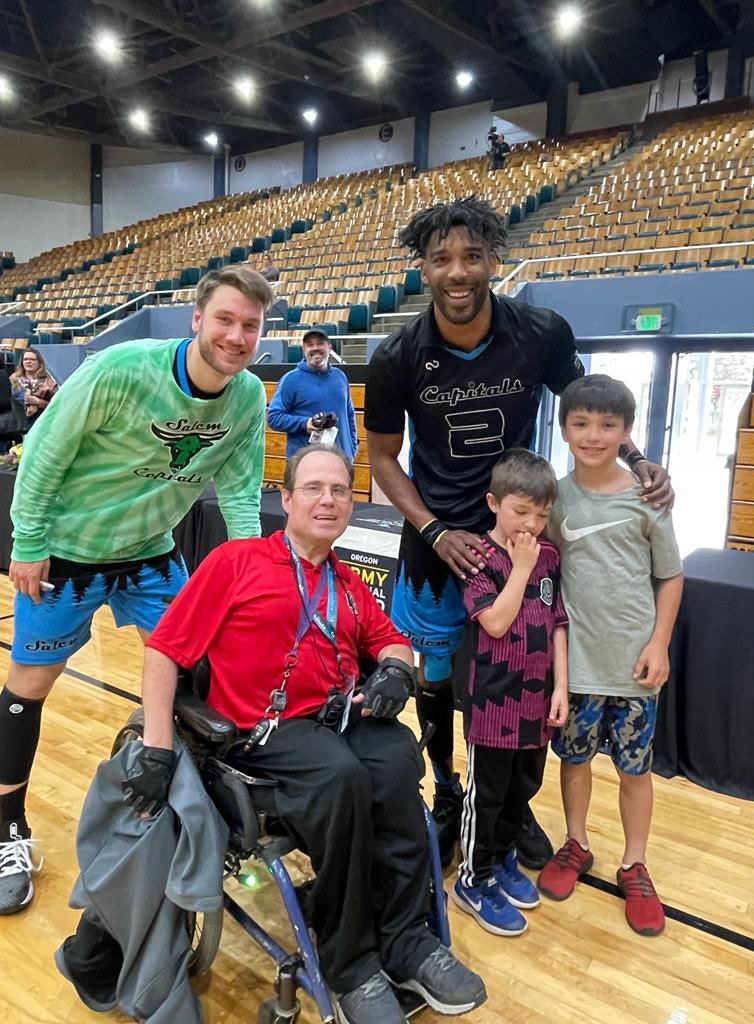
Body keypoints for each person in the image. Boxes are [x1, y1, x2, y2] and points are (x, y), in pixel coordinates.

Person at [364, 196, 673, 869]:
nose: (458, 271)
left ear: (494, 259)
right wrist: (436, 527)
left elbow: (592, 410)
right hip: (436, 546)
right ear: (422, 267)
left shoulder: (542, 332)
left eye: (472, 256)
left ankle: (505, 802)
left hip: (523, 539)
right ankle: (448, 790)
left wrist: (640, 460)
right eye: (442, 258)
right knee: (440, 676)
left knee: (526, 677)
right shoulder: (395, 356)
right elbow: (384, 456)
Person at [130, 446, 487, 1024]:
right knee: (340, 777)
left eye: (341, 490)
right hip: (259, 732)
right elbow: (164, 651)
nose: (328, 499)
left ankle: (405, 938)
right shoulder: (236, 562)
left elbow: (392, 638)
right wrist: (155, 745)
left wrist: (395, 668)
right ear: (288, 498)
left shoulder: (346, 581)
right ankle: (350, 964)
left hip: (333, 720)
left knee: (398, 761)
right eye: (315, 488)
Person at [0, 265, 273, 915]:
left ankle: (184, 804)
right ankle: (7, 829)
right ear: (197, 319)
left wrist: (243, 580)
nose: (236, 336)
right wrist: (29, 543)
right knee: (30, 688)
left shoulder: (246, 399)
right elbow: (42, 452)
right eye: (226, 319)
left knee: (196, 670)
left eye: (250, 326)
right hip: (67, 553)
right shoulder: (120, 369)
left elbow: (238, 493)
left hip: (150, 555)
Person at [539, 375, 683, 936]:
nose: (593, 435)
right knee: (574, 761)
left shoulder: (648, 498)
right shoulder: (555, 497)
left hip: (633, 665)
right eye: (580, 423)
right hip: (576, 667)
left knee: (634, 771)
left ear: (626, 432)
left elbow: (669, 578)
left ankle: (635, 862)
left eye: (607, 425)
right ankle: (576, 842)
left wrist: (659, 643)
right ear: (564, 428)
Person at [453, 449, 569, 936]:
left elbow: (558, 621)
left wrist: (561, 686)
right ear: (494, 503)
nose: (532, 524)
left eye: (542, 515)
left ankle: (503, 860)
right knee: (490, 796)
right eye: (522, 512)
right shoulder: (479, 559)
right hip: (494, 705)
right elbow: (496, 623)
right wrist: (520, 567)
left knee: (524, 790)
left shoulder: (549, 557)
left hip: (537, 703)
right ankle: (472, 878)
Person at [268, 328, 358, 461]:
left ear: (329, 347)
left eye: (320, 343)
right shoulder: (291, 380)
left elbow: (349, 415)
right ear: (304, 349)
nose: (315, 348)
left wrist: (351, 450)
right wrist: (305, 423)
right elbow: (274, 418)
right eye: (310, 344)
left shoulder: (340, 377)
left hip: (341, 462)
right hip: (305, 464)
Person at [10, 348, 59, 431]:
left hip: (42, 426)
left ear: (39, 363)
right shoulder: (13, 380)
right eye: (26, 359)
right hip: (17, 426)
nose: (28, 362)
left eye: (32, 359)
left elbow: (57, 404)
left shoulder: (48, 381)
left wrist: (38, 402)